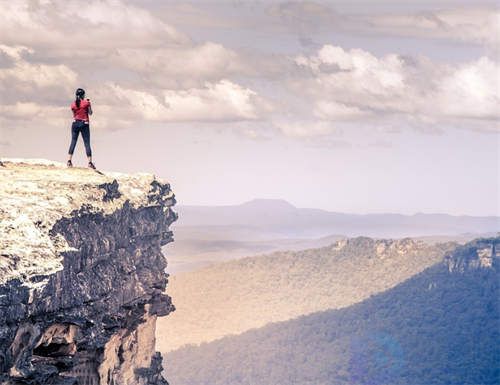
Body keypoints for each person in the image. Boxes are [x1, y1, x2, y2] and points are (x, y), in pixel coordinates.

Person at [67, 88, 95, 169]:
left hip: (75, 123)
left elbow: (74, 114)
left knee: (73, 141)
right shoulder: (86, 103)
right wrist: (89, 104)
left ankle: (69, 161)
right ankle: (89, 162)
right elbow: (90, 113)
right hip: (84, 124)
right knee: (87, 143)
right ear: (83, 95)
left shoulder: (73, 104)